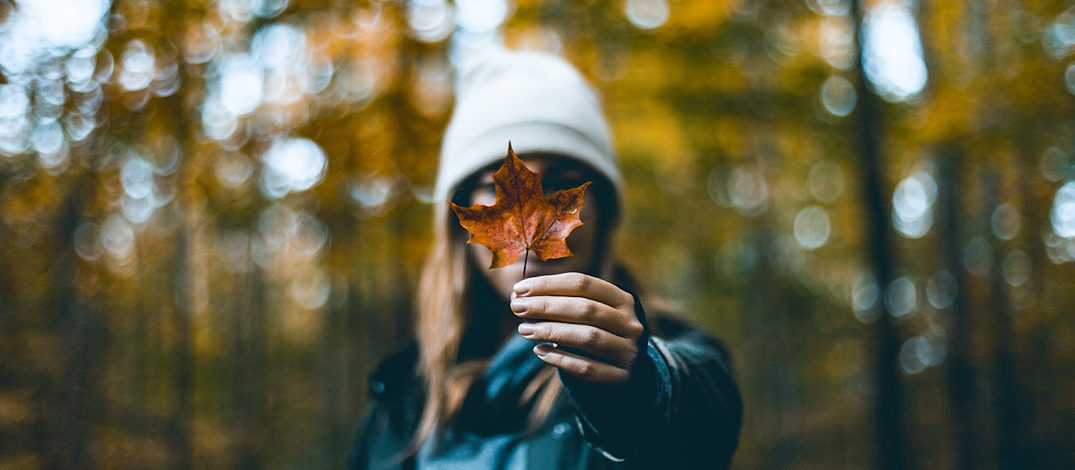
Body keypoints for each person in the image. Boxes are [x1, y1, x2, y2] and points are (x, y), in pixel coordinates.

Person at [348, 48, 742, 470]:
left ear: (603, 214)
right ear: (459, 217)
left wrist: (642, 385)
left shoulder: (664, 352)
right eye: (494, 186)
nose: (532, 220)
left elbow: (701, 413)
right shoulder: (402, 395)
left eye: (563, 185)